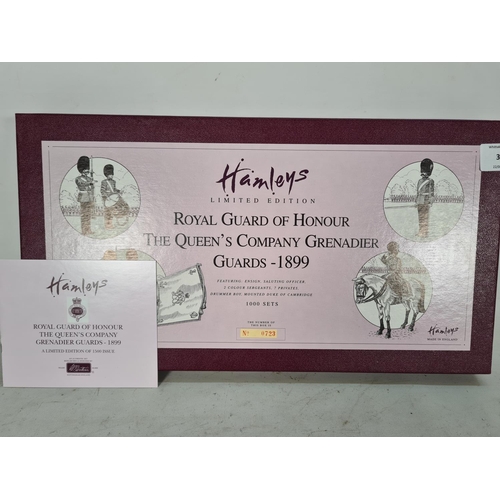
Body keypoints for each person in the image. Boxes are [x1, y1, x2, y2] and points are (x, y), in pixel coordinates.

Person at [74, 156, 94, 235]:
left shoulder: (89, 178)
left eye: (87, 169)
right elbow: (81, 185)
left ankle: (88, 229)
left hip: (89, 197)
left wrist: (92, 182)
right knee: (84, 215)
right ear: (82, 170)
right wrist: (90, 183)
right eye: (86, 169)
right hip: (83, 197)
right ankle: (84, 230)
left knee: (88, 214)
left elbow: (92, 187)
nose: (87, 171)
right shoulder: (78, 178)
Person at [416, 158, 435, 238]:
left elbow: (431, 193)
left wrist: (430, 201)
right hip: (420, 201)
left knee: (425, 218)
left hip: (425, 201)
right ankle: (421, 232)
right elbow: (418, 192)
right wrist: (416, 201)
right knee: (420, 218)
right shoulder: (419, 181)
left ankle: (424, 233)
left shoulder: (430, 181)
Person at [100, 164, 121, 229]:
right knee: (107, 212)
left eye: (112, 174)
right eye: (110, 174)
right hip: (106, 199)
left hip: (112, 199)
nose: (111, 176)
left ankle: (110, 224)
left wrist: (119, 191)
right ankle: (107, 225)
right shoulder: (104, 182)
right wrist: (107, 197)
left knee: (111, 212)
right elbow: (102, 191)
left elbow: (114, 189)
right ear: (107, 175)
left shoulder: (114, 182)